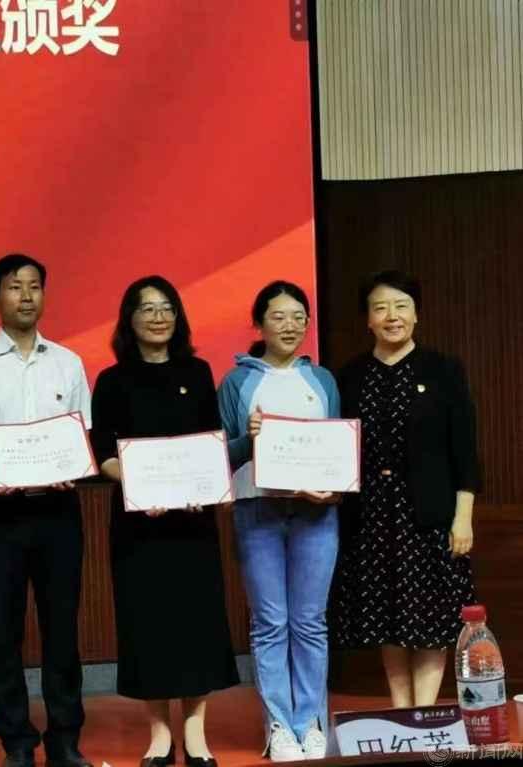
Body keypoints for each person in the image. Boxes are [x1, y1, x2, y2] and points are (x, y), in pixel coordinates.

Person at [0, 254, 94, 767]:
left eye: (35, 286)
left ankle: (65, 737)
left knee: (63, 629)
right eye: (15, 287)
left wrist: (75, 464)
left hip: (59, 510)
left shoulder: (68, 363)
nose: (27, 296)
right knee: (3, 630)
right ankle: (16, 741)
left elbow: (82, 431)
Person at [90, 276, 237, 767]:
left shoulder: (197, 372)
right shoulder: (112, 380)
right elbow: (104, 453)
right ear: (129, 319)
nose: (158, 317)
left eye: (167, 307)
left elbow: (211, 441)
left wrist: (205, 486)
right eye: (147, 308)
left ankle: (194, 733)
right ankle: (158, 734)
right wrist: (139, 485)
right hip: (139, 525)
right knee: (147, 623)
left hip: (192, 524)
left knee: (196, 623)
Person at [330, 270, 477, 707]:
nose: (391, 316)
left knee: (431, 617)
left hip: (429, 514)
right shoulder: (351, 375)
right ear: (368, 320)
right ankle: (401, 710)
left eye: (401, 306)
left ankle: (423, 712)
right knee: (387, 615)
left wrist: (463, 517)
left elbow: (464, 449)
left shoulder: (443, 370)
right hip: (371, 515)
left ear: (416, 314)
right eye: (380, 308)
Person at [218, 281, 339, 763]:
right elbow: (221, 455)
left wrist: (334, 486)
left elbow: (338, 447)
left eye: (298, 317)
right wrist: (247, 439)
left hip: (317, 513)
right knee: (271, 623)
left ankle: (311, 721)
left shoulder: (322, 380)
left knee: (310, 621)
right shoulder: (237, 382)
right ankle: (279, 726)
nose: (290, 326)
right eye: (278, 316)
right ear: (259, 323)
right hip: (258, 510)